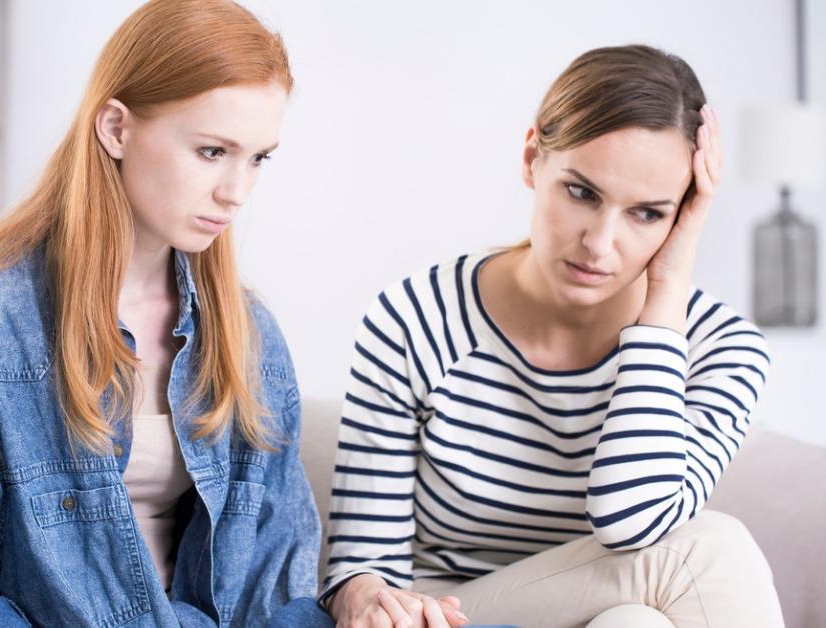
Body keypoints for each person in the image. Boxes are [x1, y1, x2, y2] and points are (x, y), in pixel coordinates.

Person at [0, 1, 331, 625]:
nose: (236, 192)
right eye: (210, 151)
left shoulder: (249, 333)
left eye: (258, 157)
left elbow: (275, 593)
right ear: (116, 129)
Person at [322, 45, 784, 628]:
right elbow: (363, 568)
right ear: (531, 159)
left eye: (646, 213)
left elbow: (633, 520)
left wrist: (666, 295)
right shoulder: (414, 318)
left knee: (635, 622)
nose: (599, 243)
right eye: (582, 192)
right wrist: (363, 594)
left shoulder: (722, 349)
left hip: (613, 607)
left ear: (682, 216)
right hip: (448, 614)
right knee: (705, 549)